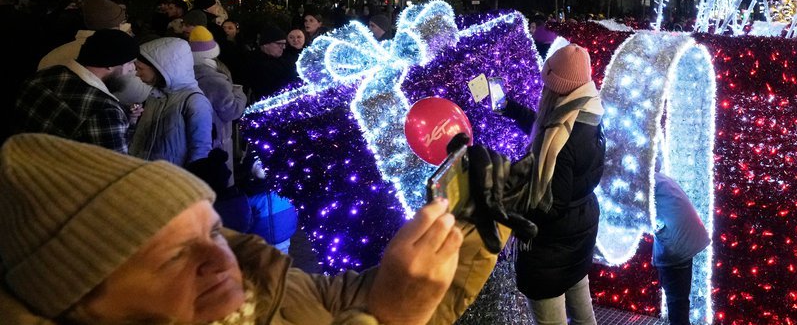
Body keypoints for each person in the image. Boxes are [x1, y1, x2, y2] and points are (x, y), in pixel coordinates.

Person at [0, 134, 504, 325]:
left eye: (215, 232)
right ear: (79, 298)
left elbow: (334, 298)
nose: (221, 260)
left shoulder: (255, 285)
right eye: (173, 256)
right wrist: (401, 316)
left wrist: (478, 225)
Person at [504, 44, 605, 325]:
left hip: (551, 249)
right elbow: (547, 132)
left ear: (558, 86)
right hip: (578, 234)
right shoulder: (587, 114)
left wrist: (511, 210)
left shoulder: (562, 137)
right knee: (585, 318)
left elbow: (551, 206)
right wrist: (511, 109)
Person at [13, 29, 139, 152]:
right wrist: (129, 124)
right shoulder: (105, 111)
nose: (132, 69)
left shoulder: (42, 76)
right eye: (130, 63)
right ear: (111, 63)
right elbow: (115, 167)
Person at [131, 37, 215, 166]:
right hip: (145, 176)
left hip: (172, 180)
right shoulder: (156, 95)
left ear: (160, 68)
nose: (137, 74)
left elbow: (200, 152)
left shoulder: (195, 101)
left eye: (140, 68)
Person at [652, 172, 711, 325]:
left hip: (676, 246)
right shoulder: (660, 179)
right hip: (685, 240)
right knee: (680, 299)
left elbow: (633, 216)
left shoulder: (647, 185)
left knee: (676, 301)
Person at [191, 26, 247, 180]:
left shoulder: (191, 72)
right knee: (220, 180)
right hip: (218, 139)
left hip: (204, 138)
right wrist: (238, 93)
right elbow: (232, 111)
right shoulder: (214, 80)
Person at [241, 25, 299, 101]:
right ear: (265, 44)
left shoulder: (286, 60)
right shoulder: (252, 62)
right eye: (279, 44)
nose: (283, 47)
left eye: (284, 44)